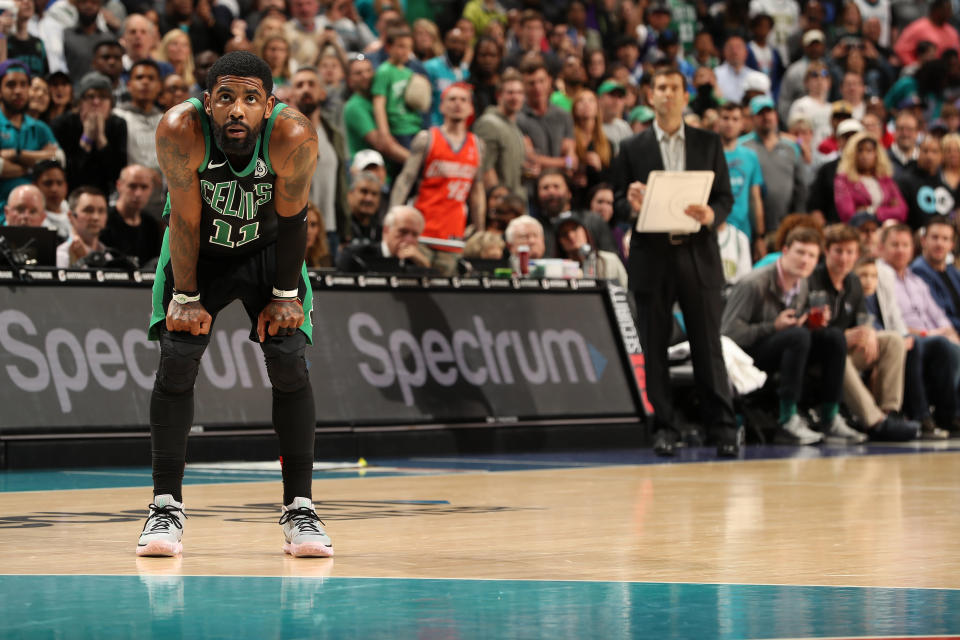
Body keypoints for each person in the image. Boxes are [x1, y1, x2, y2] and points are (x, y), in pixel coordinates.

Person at [138, 51, 331, 559]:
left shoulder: (293, 134)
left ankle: (300, 509)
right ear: (208, 102)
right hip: (199, 249)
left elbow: (294, 223)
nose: (237, 110)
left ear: (270, 105)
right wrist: (184, 296)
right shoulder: (181, 128)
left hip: (269, 250)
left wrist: (286, 297)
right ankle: (164, 505)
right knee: (178, 359)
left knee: (288, 361)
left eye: (250, 98)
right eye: (225, 97)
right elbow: (182, 220)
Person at [611, 67, 741, 458]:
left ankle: (721, 427)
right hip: (652, 255)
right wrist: (630, 205)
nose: (667, 95)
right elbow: (616, 202)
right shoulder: (632, 148)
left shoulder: (708, 142)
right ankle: (664, 427)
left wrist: (711, 216)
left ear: (686, 97)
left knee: (707, 344)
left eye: (674, 88)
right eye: (660, 88)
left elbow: (724, 198)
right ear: (650, 96)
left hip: (696, 252)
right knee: (653, 345)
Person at [722, 226, 848, 445]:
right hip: (745, 355)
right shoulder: (753, 284)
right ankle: (787, 419)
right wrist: (773, 326)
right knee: (797, 337)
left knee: (834, 337)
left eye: (811, 256)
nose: (805, 260)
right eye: (800, 252)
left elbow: (792, 326)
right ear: (785, 250)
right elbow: (728, 334)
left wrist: (808, 322)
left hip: (783, 346)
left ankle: (830, 417)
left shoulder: (803, 282)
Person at [808, 224, 920, 440]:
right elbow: (810, 328)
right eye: (838, 251)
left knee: (893, 340)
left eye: (850, 252)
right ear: (827, 251)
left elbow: (862, 319)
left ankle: (889, 412)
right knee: (838, 352)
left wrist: (868, 333)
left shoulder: (853, 282)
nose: (844, 258)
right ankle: (874, 421)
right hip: (818, 355)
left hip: (847, 349)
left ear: (857, 254)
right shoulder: (813, 279)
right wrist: (844, 337)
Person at [390, 82, 485, 276]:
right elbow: (405, 179)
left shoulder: (477, 146)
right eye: (452, 99)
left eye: (463, 100)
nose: (457, 104)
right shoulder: (427, 139)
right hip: (421, 234)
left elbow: (476, 191)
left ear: (470, 108)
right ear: (441, 106)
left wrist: (480, 229)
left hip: (454, 236)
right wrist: (393, 219)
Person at [878, 223, 960, 433]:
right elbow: (893, 321)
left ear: (912, 248)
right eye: (894, 244)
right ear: (882, 247)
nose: (900, 250)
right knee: (940, 345)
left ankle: (949, 415)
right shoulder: (880, 276)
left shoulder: (916, 281)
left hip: (931, 336)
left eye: (905, 245)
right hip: (908, 336)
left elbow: (939, 316)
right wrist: (934, 334)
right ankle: (926, 416)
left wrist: (951, 333)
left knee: (948, 344)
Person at [291, 67, 350, 252]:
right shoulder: (282, 136)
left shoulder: (334, 135)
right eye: (299, 85)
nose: (306, 89)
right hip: (292, 230)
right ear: (292, 94)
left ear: (322, 93)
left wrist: (345, 228)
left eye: (311, 84)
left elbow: (341, 185)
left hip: (329, 230)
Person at [0, 60, 62, 218]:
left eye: (23, 85)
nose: (18, 91)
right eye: (11, 85)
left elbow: (60, 161)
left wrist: (16, 155)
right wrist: (36, 165)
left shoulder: (40, 128)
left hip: (36, 216)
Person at [50, 71, 128, 196]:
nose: (96, 102)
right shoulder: (62, 124)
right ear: (80, 102)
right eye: (90, 96)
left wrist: (101, 139)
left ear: (111, 104)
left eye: (103, 97)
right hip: (70, 192)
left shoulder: (118, 124)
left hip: (106, 193)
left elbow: (117, 174)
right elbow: (66, 172)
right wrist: (86, 138)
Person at [741, 95, 808, 236]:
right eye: (761, 114)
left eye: (769, 112)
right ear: (752, 118)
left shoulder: (791, 147)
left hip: (785, 224)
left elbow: (800, 186)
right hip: (749, 226)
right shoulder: (742, 146)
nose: (766, 117)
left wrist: (799, 218)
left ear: (776, 115)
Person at [717, 102, 765, 259]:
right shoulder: (709, 155)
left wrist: (760, 236)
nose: (730, 123)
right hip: (715, 230)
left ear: (742, 124)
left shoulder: (750, 157)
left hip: (743, 231)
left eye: (735, 119)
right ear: (718, 121)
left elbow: (755, 198)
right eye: (725, 118)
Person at [472, 69, 527, 201]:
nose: (515, 97)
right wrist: (501, 203)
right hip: (502, 204)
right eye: (510, 92)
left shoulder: (513, 125)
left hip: (515, 198)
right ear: (499, 95)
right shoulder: (489, 123)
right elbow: (485, 169)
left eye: (519, 93)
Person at [834, 131, 907, 225]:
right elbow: (848, 214)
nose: (864, 155)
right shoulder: (843, 180)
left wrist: (871, 210)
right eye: (860, 150)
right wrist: (889, 209)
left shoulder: (885, 179)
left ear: (876, 154)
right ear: (852, 154)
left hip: (887, 229)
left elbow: (902, 211)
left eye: (869, 151)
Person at [335, 205, 431, 272]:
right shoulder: (356, 255)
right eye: (403, 232)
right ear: (386, 230)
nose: (409, 239)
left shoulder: (416, 262)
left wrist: (425, 268)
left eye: (415, 235)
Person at [99, 164, 160, 266]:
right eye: (132, 186)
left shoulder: (151, 224)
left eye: (144, 187)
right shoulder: (104, 219)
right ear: (119, 186)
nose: (138, 193)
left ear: (151, 189)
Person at [552, 211, 628, 287]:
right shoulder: (556, 269)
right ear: (559, 241)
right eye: (564, 233)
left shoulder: (610, 261)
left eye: (574, 229)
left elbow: (626, 293)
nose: (571, 236)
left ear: (585, 230)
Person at [911, 216, 960, 333]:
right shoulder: (918, 271)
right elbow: (939, 315)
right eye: (934, 237)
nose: (939, 243)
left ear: (952, 245)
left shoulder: (952, 271)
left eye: (945, 239)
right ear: (923, 241)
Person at [897, 135, 957, 228]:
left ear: (941, 156)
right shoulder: (905, 181)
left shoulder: (945, 187)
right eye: (925, 151)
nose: (929, 156)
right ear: (918, 153)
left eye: (934, 152)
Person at [55, 186, 114, 268]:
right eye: (88, 210)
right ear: (71, 216)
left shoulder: (108, 256)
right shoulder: (61, 256)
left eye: (101, 211)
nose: (96, 217)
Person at [3, 183, 68, 240]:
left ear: (42, 217)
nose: (26, 216)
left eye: (33, 212)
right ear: (7, 213)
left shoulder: (57, 246)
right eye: (20, 209)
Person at [31, 160, 70, 233]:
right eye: (48, 183)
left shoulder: (75, 213)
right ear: (35, 186)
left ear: (66, 186)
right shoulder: (29, 219)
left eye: (59, 183)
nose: (54, 189)